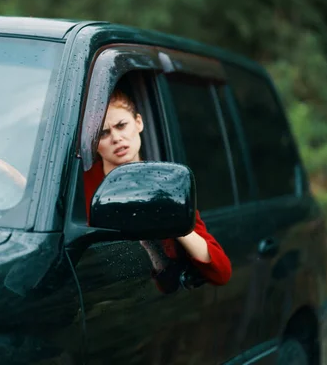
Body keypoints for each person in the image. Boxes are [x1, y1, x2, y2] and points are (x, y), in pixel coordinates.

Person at [82, 89, 231, 293]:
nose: (116, 138)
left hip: (153, 295)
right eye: (103, 133)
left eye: (121, 125)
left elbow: (221, 272)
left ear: (139, 123)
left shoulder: (165, 180)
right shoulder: (79, 186)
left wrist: (171, 221)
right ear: (93, 142)